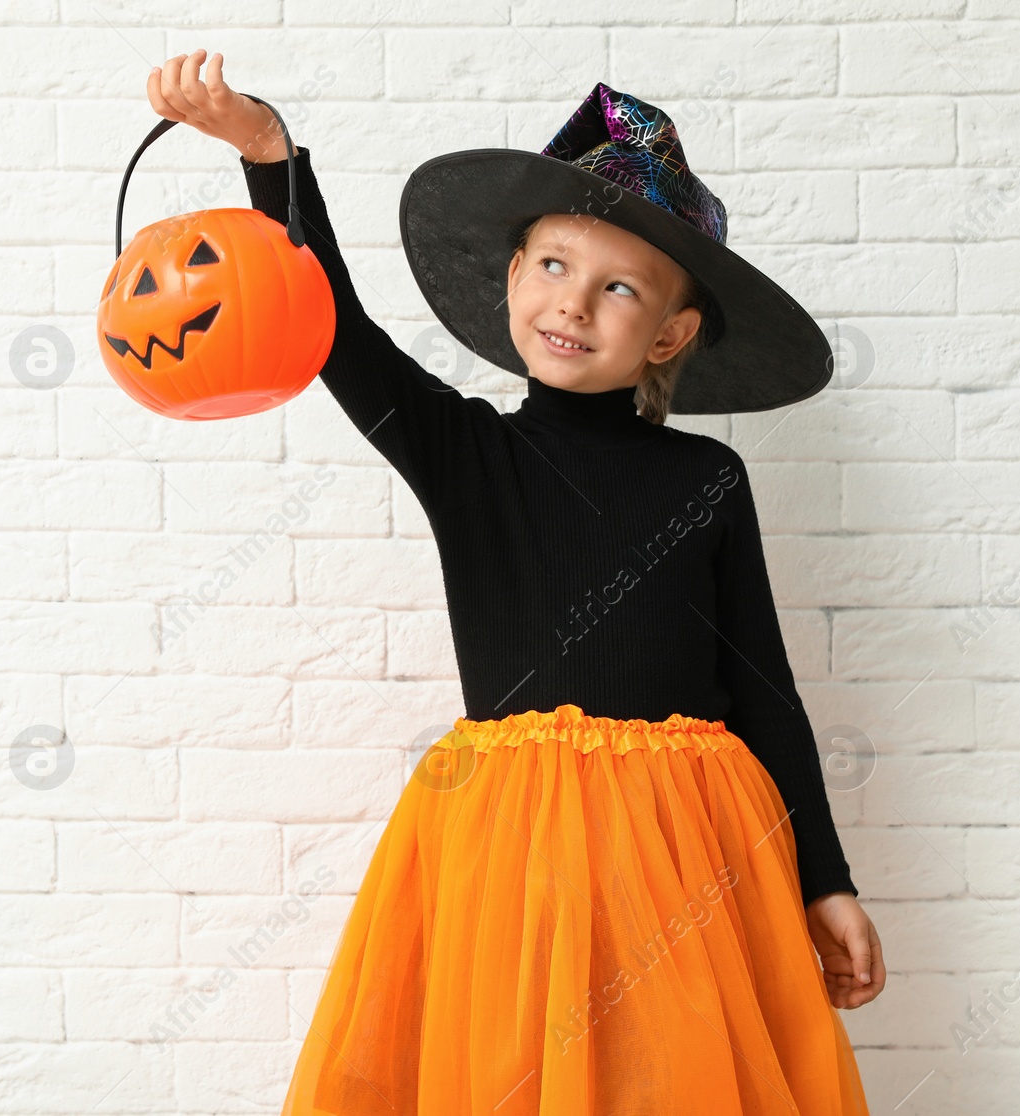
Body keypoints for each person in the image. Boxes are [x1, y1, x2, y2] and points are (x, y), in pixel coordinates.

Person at [146, 49, 886, 1114]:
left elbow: (763, 685)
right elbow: (337, 334)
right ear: (509, 279)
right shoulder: (467, 453)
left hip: (691, 856)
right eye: (551, 266)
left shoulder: (709, 480)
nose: (572, 304)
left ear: (671, 333)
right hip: (512, 852)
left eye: (618, 287)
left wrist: (825, 879)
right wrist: (270, 155)